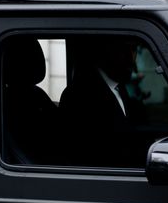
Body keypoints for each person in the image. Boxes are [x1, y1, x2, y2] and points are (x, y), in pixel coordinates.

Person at [58, 37, 150, 167]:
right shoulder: (80, 96)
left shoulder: (119, 88)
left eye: (134, 49)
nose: (131, 57)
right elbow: (108, 153)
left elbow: (131, 136)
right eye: (123, 49)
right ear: (106, 50)